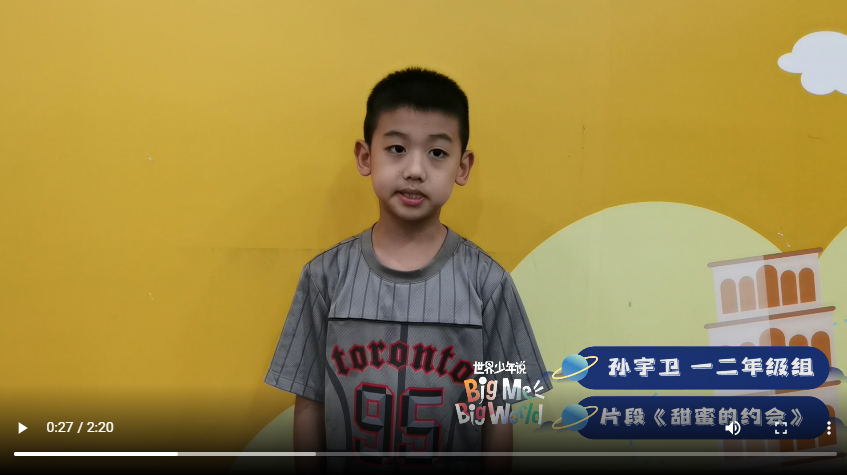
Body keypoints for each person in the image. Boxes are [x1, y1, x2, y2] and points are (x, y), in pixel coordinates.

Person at [264, 66, 550, 473]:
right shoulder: (325, 277)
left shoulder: (488, 285)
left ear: (463, 167)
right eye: (397, 148)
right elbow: (309, 403)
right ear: (366, 157)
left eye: (437, 153)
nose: (415, 170)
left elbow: (497, 412)